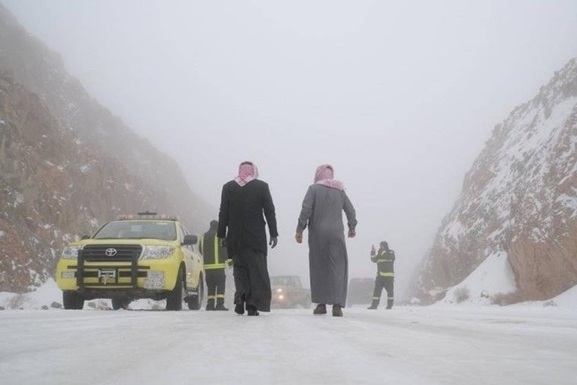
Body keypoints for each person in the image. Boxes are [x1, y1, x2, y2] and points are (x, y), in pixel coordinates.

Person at [217, 161, 279, 316]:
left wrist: (221, 235)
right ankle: (252, 305)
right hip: (255, 238)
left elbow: (223, 212)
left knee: (239, 269)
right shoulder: (261, 187)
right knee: (256, 272)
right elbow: (269, 211)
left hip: (235, 238)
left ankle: (240, 295)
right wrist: (273, 233)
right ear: (253, 171)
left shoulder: (228, 187)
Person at [295, 164, 357, 317]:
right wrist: (352, 227)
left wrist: (299, 229)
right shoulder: (340, 190)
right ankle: (337, 306)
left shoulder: (313, 189)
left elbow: (306, 209)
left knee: (319, 267)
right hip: (336, 234)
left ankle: (321, 305)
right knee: (338, 267)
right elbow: (351, 210)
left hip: (318, 234)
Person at [200, 220, 231, 311]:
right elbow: (224, 250)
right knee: (220, 285)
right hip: (219, 267)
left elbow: (201, 250)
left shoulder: (203, 237)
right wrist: (229, 261)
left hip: (207, 268)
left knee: (211, 286)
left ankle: (210, 305)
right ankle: (219, 305)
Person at [367, 241, 395, 310]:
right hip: (380, 277)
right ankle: (374, 305)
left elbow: (390, 257)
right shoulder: (379, 254)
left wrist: (381, 254)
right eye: (380, 246)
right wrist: (373, 252)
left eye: (382, 245)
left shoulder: (390, 252)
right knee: (376, 291)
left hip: (388, 277)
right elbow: (373, 259)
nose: (381, 247)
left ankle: (389, 306)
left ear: (385, 246)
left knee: (390, 292)